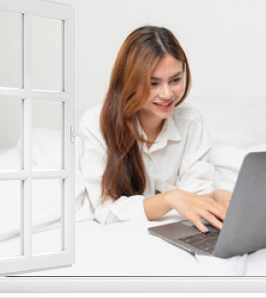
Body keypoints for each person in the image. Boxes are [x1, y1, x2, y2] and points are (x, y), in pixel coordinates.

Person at [78, 26, 232, 233]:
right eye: (153, 83)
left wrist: (214, 197)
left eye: (175, 80)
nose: (167, 94)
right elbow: (105, 211)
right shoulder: (96, 123)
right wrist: (170, 198)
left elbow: (194, 198)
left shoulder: (191, 121)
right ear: (129, 82)